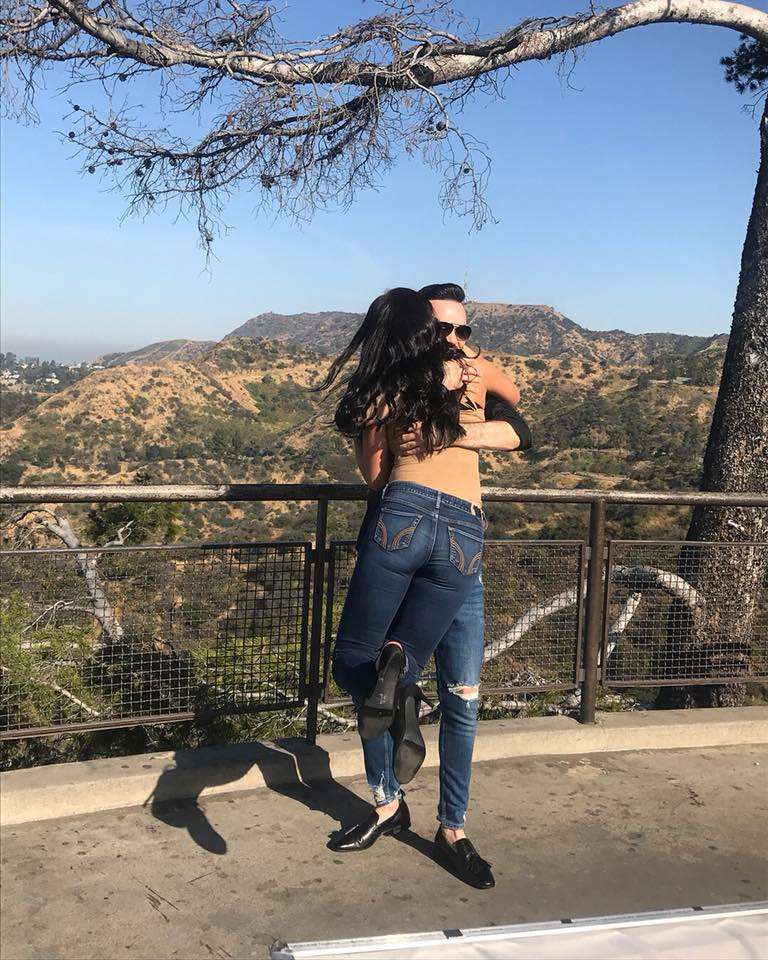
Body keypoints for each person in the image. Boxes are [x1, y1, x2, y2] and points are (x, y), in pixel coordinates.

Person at [315, 285, 527, 889]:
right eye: (444, 331)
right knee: (381, 678)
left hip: (428, 544)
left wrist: (450, 431)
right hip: (456, 541)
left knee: (455, 696)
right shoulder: (415, 377)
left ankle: (451, 827)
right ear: (420, 331)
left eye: (465, 330)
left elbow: (516, 425)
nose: (456, 341)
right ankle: (388, 804)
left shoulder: (452, 371)